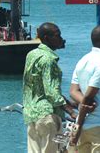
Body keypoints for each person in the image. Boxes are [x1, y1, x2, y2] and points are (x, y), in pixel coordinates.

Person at [22, 22, 77, 153]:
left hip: (31, 114)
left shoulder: (32, 54)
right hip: (48, 117)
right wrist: (72, 112)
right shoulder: (49, 60)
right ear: (46, 38)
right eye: (57, 35)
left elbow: (41, 87)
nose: (61, 38)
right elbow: (52, 92)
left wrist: (70, 103)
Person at [69, 25, 100, 152]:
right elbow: (90, 95)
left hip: (85, 127)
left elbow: (73, 91)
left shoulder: (82, 61)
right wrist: (88, 103)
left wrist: (84, 104)